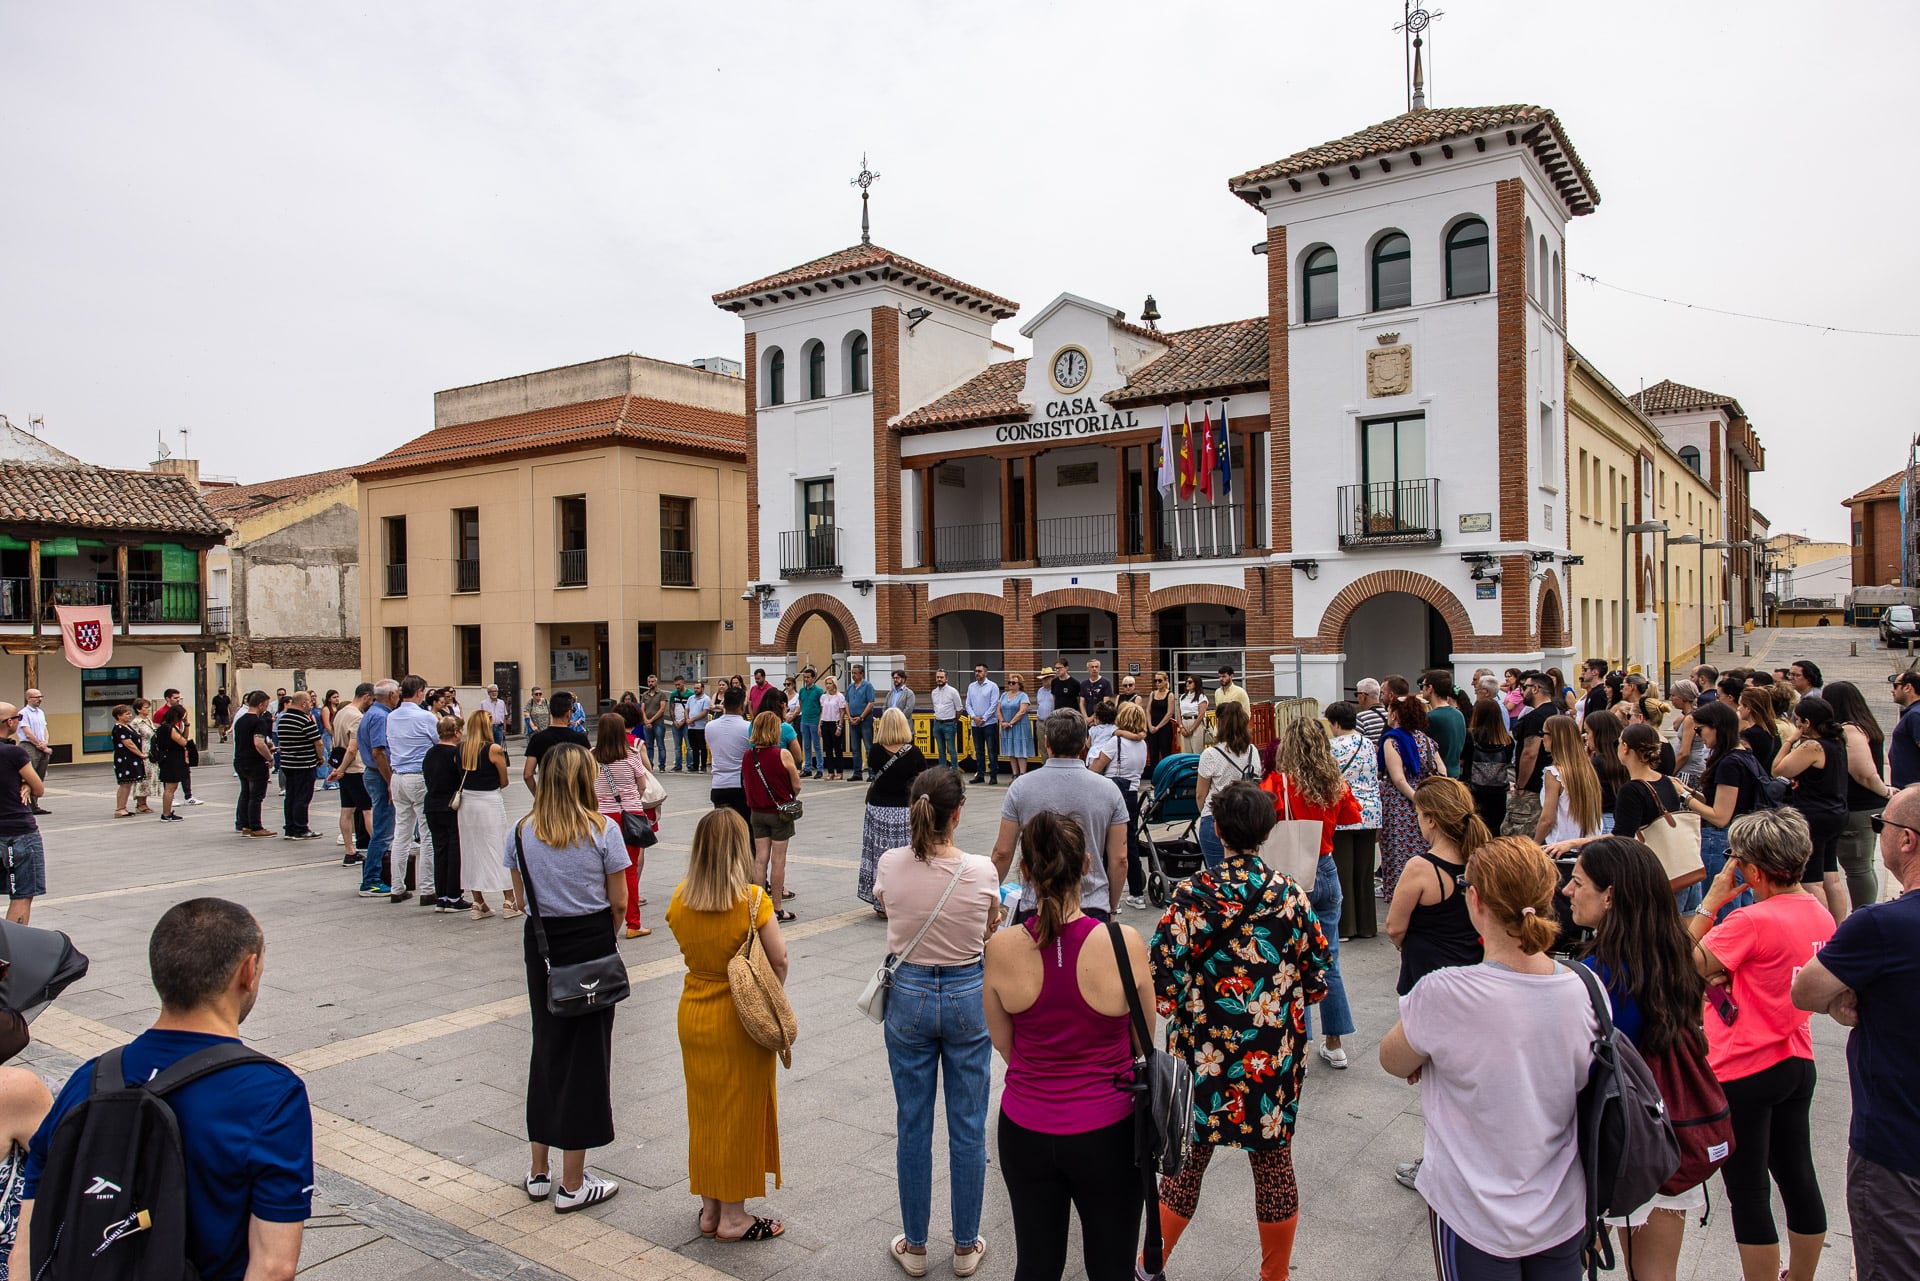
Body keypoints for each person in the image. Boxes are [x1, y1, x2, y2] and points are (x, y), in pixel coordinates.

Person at [14, 898, 311, 1281]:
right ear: (248, 971)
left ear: (161, 972)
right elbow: (273, 1267)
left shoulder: (88, 1079)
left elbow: (28, 1243)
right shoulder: (271, 1094)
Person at [1378, 836, 1597, 1278]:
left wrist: (1434, 1055)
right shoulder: (1587, 987)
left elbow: (1393, 1059)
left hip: (1473, 1213)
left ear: (1474, 900)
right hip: (1562, 1206)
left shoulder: (1445, 991)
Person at [1147, 782, 1328, 1281]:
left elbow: (1161, 988)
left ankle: (1147, 1266)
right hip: (1271, 1060)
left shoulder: (1191, 896)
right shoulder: (1290, 895)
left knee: (1185, 1166)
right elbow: (1316, 983)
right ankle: (1275, 1275)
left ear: (1218, 831)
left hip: (1199, 1060)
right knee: (1273, 1167)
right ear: (1268, 831)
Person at [984, 812, 1149, 1281]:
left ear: (1026, 873)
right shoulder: (1124, 943)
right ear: (1087, 865)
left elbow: (1005, 1046)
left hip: (1026, 1127)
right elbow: (1144, 1041)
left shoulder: (1000, 949)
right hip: (1110, 1132)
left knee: (1035, 1265)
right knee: (1112, 1266)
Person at [1688, 808, 1833, 1281]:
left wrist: (1710, 903)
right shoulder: (1819, 913)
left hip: (1744, 1065)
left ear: (1751, 870)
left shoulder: (1749, 921)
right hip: (1796, 1056)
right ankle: (1803, 1275)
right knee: (1797, 1174)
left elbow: (1686, 964)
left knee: (1748, 1190)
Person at [1562, 837, 1712, 1277]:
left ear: (1610, 895)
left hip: (1612, 1144)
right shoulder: (1675, 958)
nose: (1568, 891)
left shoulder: (1597, 976)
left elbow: (1583, 1071)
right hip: (1668, 1138)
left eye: (1577, 882)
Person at [873, 768, 999, 1277]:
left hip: (910, 994)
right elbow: (991, 923)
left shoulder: (890, 862)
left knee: (913, 1122)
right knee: (968, 1127)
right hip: (969, 992)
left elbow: (887, 908)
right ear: (958, 813)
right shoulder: (982, 869)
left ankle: (917, 1246)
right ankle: (966, 1245)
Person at [1793, 787, 1920, 1280]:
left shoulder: (1882, 926)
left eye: (1878, 826)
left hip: (1896, 1149)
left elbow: (1806, 991)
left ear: (1906, 840)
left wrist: (1858, 996)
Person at [503, 743, 626, 1214]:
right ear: (581, 780)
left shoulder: (520, 832)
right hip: (591, 941)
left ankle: (539, 1171)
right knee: (589, 1059)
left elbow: (519, 899)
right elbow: (618, 902)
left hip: (543, 946)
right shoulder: (602, 831)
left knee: (547, 1047)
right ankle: (575, 1182)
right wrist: (605, 938)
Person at [666, 809, 788, 1242]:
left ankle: (710, 1208)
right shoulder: (753, 900)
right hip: (738, 1019)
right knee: (738, 1113)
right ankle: (734, 1217)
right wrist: (770, 997)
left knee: (704, 1113)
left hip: (694, 1012)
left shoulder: (680, 898)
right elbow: (779, 958)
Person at [1267, 718, 1360, 1068]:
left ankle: (1298, 1039)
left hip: (1292, 875)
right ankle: (1334, 1042)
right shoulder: (1333, 782)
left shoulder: (1279, 782)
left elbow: (1265, 817)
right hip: (1326, 866)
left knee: (1290, 959)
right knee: (1329, 957)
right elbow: (1353, 816)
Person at [992, 709, 1129, 925]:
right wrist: (1111, 907)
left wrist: (990, 900)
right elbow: (1119, 859)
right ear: (1084, 743)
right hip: (1091, 902)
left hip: (1036, 903)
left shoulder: (1021, 787)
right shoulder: (1109, 790)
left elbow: (1002, 852)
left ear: (1047, 742)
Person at [1386, 777, 1487, 1001]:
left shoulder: (1421, 868)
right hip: (1472, 970)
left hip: (1428, 973)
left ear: (1431, 820)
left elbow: (1395, 927)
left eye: (1419, 814)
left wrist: (1405, 945)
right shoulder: (1483, 860)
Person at [1771, 695, 1851, 920]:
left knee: (1812, 880)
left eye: (1798, 721)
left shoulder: (1812, 746)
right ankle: (1837, 927)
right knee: (1831, 876)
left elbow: (1778, 770)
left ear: (1806, 722)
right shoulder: (1836, 742)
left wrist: (1789, 741)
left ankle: (1822, 929)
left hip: (1814, 815)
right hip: (1835, 812)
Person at [1821, 681, 1890, 915]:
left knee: (1858, 867)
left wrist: (1886, 791)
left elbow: (1864, 774)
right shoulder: (1864, 724)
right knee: (1862, 866)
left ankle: (1865, 916)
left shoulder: (1849, 730)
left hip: (1858, 808)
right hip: (1865, 807)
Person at [591, 711, 657, 939]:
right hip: (630, 814)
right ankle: (633, 923)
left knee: (602, 868)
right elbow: (642, 785)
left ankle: (603, 915)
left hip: (601, 817)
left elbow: (589, 787)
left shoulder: (591, 756)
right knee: (629, 868)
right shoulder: (631, 755)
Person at [861, 708, 928, 914]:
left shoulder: (875, 750)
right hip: (904, 809)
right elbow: (923, 777)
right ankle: (905, 900)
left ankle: (881, 902)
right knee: (906, 856)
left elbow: (873, 769)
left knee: (879, 856)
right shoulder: (914, 752)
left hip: (878, 807)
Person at [1326, 701, 1382, 940]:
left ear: (1336, 723)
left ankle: (1346, 926)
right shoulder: (1368, 743)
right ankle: (1367, 925)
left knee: (1343, 871)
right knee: (1364, 871)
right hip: (1370, 811)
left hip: (1344, 813)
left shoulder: (1332, 747)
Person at [1377, 696, 1441, 899]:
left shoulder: (1392, 740)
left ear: (1395, 714)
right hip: (1427, 802)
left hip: (1400, 806)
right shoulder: (1426, 740)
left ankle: (1401, 896)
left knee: (1398, 852)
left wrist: (1416, 799)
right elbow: (1442, 770)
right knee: (1423, 848)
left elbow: (1398, 779)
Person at [456, 708, 516, 919]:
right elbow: (504, 780)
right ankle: (508, 900)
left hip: (467, 804)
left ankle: (478, 901)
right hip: (489, 800)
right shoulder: (494, 749)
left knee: (471, 849)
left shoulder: (461, 748)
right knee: (497, 847)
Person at [1090, 701, 1150, 910]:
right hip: (1132, 793)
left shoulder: (1115, 743)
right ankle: (1136, 893)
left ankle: (1107, 894)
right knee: (1129, 843)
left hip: (1112, 792)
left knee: (1107, 846)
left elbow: (1096, 767)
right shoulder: (1142, 744)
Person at [742, 711, 801, 923]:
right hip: (779, 813)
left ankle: (758, 907)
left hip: (757, 812)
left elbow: (746, 783)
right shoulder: (782, 754)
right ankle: (777, 908)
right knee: (778, 861)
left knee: (760, 859)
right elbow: (797, 784)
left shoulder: (749, 755)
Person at [388, 678, 441, 905]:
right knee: (427, 833)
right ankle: (428, 888)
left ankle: (397, 886)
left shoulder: (392, 716)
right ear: (420, 693)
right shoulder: (425, 717)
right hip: (419, 775)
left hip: (397, 775)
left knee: (401, 833)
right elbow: (438, 741)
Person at [1194, 700, 1262, 871]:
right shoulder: (1253, 751)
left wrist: (1205, 812)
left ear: (1220, 724)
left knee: (1218, 874)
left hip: (1217, 817)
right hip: (1247, 817)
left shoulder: (1211, 754)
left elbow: (1200, 795)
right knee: (1247, 873)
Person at [0, 704, 46, 926]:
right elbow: (39, 788)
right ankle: (9, 952)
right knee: (22, 894)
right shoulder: (13, 752)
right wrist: (26, 782)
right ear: (9, 722)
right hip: (17, 831)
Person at [421, 716, 473, 913]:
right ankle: (454, 895)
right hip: (450, 805)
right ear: (457, 732)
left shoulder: (430, 753)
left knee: (440, 850)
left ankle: (441, 895)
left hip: (432, 804)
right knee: (454, 850)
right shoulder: (456, 753)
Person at [1536, 714, 1602, 855]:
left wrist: (1534, 845)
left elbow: (1547, 819)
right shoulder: (1587, 769)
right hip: (1588, 848)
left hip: (1559, 848)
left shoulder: (1554, 773)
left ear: (1556, 737)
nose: (1542, 738)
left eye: (1544, 733)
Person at [358, 681, 399, 895]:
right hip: (379, 774)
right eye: (398, 693)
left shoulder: (373, 713)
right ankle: (371, 879)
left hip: (374, 773)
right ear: (391, 694)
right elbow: (378, 752)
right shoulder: (381, 717)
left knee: (384, 827)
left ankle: (376, 875)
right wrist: (390, 781)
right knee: (383, 830)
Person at [1504, 671, 1555, 837]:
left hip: (1533, 787)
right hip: (1547, 783)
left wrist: (1521, 785)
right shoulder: (1554, 711)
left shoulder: (1536, 717)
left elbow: (1530, 753)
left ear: (1536, 689)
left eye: (1524, 687)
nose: (1521, 691)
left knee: (1520, 834)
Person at [328, 684, 372, 864]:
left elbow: (335, 741)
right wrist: (341, 769)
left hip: (344, 768)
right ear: (366, 697)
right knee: (367, 810)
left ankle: (350, 851)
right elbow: (352, 748)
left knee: (347, 810)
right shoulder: (357, 717)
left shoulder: (341, 712)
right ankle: (381, 849)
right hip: (355, 769)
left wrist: (338, 769)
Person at [1459, 695, 1513, 833]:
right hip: (1498, 791)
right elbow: (1507, 761)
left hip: (1474, 788)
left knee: (1475, 828)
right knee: (1495, 829)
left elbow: (1463, 760)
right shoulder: (1507, 740)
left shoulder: (1470, 736)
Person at [522, 692, 590, 794]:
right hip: (574, 794)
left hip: (549, 795)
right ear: (568, 713)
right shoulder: (580, 738)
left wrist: (538, 796)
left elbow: (527, 774)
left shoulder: (538, 738)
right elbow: (590, 770)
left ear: (551, 712)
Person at [705, 686, 753, 827]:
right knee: (744, 830)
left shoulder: (710, 726)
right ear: (742, 704)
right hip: (740, 786)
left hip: (718, 784)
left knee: (724, 830)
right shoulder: (748, 727)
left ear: (724, 705)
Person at [231, 690, 276, 839]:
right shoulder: (258, 721)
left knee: (245, 793)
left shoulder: (241, 720)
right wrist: (269, 758)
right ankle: (256, 826)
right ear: (261, 704)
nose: (267, 708)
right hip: (254, 762)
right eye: (266, 705)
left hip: (240, 760)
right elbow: (258, 743)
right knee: (256, 796)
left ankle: (245, 825)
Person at [1585, 708, 1628, 832]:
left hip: (1602, 819)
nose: (1586, 737)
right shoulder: (1622, 759)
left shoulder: (1597, 762)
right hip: (1620, 817)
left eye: (1588, 732)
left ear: (1598, 733)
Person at [1422, 669, 1465, 778]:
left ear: (1430, 688)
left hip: (1438, 776)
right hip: (1455, 772)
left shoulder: (1431, 717)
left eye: (1422, 686)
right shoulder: (1459, 714)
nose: (1421, 690)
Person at [155, 704, 192, 822]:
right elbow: (183, 741)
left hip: (172, 759)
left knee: (172, 786)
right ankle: (166, 814)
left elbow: (184, 736)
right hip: (171, 760)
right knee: (170, 788)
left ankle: (167, 812)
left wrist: (186, 725)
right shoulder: (168, 728)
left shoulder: (170, 727)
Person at [965, 665, 1000, 786]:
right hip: (975, 723)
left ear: (986, 672)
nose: (977, 673)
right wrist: (974, 717)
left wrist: (984, 718)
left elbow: (994, 704)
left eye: (979, 671)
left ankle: (993, 775)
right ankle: (980, 774)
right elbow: (968, 704)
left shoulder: (992, 686)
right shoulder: (971, 686)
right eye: (976, 671)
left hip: (989, 723)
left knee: (991, 750)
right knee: (978, 750)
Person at [14, 693, 48, 816]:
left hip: (41, 747)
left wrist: (45, 743)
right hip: (29, 746)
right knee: (29, 776)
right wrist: (39, 744)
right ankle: (26, 804)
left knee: (39, 776)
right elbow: (27, 732)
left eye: (41, 696)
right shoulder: (23, 713)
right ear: (28, 699)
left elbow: (44, 729)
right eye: (36, 697)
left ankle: (34, 805)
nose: (39, 699)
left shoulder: (41, 713)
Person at [111, 702, 147, 818]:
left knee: (129, 783)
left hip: (131, 758)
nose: (129, 716)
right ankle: (119, 808)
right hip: (125, 759)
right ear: (119, 716)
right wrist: (140, 754)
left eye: (129, 713)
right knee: (124, 783)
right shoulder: (119, 728)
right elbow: (128, 743)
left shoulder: (128, 726)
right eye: (126, 714)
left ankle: (124, 807)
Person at [1737, 686, 1781, 773]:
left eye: (1740, 705)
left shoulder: (1749, 735)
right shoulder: (1771, 730)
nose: (1738, 708)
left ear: (1748, 708)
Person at [998, 676, 1033, 780]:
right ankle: (1014, 773)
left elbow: (1022, 711)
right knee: (1011, 750)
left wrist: (1011, 723)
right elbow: (998, 709)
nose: (1011, 685)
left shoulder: (1023, 696)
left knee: (1020, 750)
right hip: (1006, 726)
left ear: (1019, 684)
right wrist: (1003, 721)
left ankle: (1022, 774)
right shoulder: (1004, 695)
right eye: (1009, 682)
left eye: (1013, 683)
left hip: (1019, 726)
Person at [846, 664, 878, 781]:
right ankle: (857, 773)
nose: (853, 675)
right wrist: (849, 717)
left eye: (855, 673)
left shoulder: (867, 686)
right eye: (852, 673)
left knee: (868, 747)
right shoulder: (850, 687)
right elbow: (847, 703)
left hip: (865, 720)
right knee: (855, 749)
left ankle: (872, 773)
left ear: (861, 674)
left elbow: (870, 703)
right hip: (853, 719)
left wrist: (861, 717)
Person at [1890, 669, 1920, 790]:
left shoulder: (1916, 715)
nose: (1892, 690)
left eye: (1895, 686)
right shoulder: (1913, 713)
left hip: (1912, 790)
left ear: (1908, 687)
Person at [127, 698, 159, 815]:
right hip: (142, 750)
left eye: (148, 707)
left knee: (150, 776)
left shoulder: (149, 721)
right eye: (145, 708)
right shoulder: (135, 723)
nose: (148, 709)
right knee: (143, 777)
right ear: (138, 709)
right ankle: (140, 803)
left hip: (151, 751)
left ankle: (144, 801)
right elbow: (134, 739)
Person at [928, 670, 962, 770]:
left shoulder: (953, 691)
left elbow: (959, 709)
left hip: (949, 723)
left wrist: (954, 720)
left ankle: (955, 770)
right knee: (940, 750)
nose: (939, 679)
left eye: (941, 677)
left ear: (946, 679)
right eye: (937, 677)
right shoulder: (933, 692)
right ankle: (942, 771)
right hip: (937, 723)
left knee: (951, 749)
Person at [795, 668, 824, 779]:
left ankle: (820, 768)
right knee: (806, 745)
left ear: (813, 678)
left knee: (816, 745)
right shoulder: (802, 691)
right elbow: (801, 704)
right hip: (805, 720)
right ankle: (807, 768)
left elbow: (821, 707)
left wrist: (819, 722)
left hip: (814, 720)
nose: (806, 679)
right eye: (805, 677)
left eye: (808, 677)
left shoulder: (818, 691)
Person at [818, 675, 847, 780]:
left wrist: (840, 726)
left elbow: (842, 712)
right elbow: (822, 711)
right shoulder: (823, 697)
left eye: (830, 683)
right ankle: (830, 771)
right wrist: (819, 725)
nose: (828, 685)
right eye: (827, 684)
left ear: (834, 684)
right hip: (825, 722)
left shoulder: (839, 696)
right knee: (828, 749)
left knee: (837, 749)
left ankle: (840, 771)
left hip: (835, 723)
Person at [1143, 671, 1175, 767]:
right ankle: (1154, 774)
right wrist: (1149, 725)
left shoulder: (1170, 695)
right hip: (1152, 726)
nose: (1157, 683)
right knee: (1153, 752)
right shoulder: (1152, 694)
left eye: (1160, 681)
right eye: (1155, 681)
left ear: (1166, 681)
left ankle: (1165, 774)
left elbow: (1169, 713)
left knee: (1165, 752)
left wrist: (1158, 727)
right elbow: (1148, 710)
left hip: (1164, 727)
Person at [640, 676, 670, 772]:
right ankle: (650, 764)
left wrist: (651, 720)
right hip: (647, 724)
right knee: (649, 745)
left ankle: (662, 766)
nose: (650, 683)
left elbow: (662, 710)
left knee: (660, 744)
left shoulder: (661, 694)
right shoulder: (645, 695)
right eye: (649, 681)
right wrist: (645, 720)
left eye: (652, 681)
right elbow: (642, 709)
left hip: (658, 723)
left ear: (656, 682)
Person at [1177, 673, 1210, 755]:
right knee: (1186, 752)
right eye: (1186, 682)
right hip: (1184, 722)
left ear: (1196, 683)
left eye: (1190, 682)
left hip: (1195, 723)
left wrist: (1191, 729)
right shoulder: (1182, 697)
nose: (1187, 684)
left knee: (1197, 750)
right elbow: (1179, 712)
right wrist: (1181, 727)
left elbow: (1201, 714)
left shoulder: (1201, 697)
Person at [1355, 678, 1390, 744]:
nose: (1357, 698)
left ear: (1363, 696)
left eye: (1357, 694)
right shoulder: (1390, 714)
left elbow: (1357, 745)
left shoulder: (1360, 718)